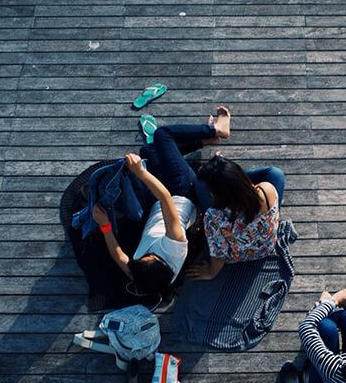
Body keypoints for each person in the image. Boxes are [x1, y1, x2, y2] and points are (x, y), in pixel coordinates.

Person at [91, 107, 232, 298]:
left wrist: (105, 226)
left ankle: (206, 141)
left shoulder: (142, 275)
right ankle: (217, 130)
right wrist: (140, 172)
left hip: (157, 201)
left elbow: (119, 257)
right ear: (162, 263)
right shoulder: (174, 246)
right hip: (182, 191)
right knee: (162, 135)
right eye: (150, 256)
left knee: (148, 151)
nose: (144, 255)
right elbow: (165, 198)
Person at [185, 154, 284, 281]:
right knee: (275, 174)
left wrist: (210, 273)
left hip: (238, 256)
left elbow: (219, 254)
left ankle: (220, 170)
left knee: (199, 180)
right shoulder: (266, 190)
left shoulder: (214, 217)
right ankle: (226, 172)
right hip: (265, 247)